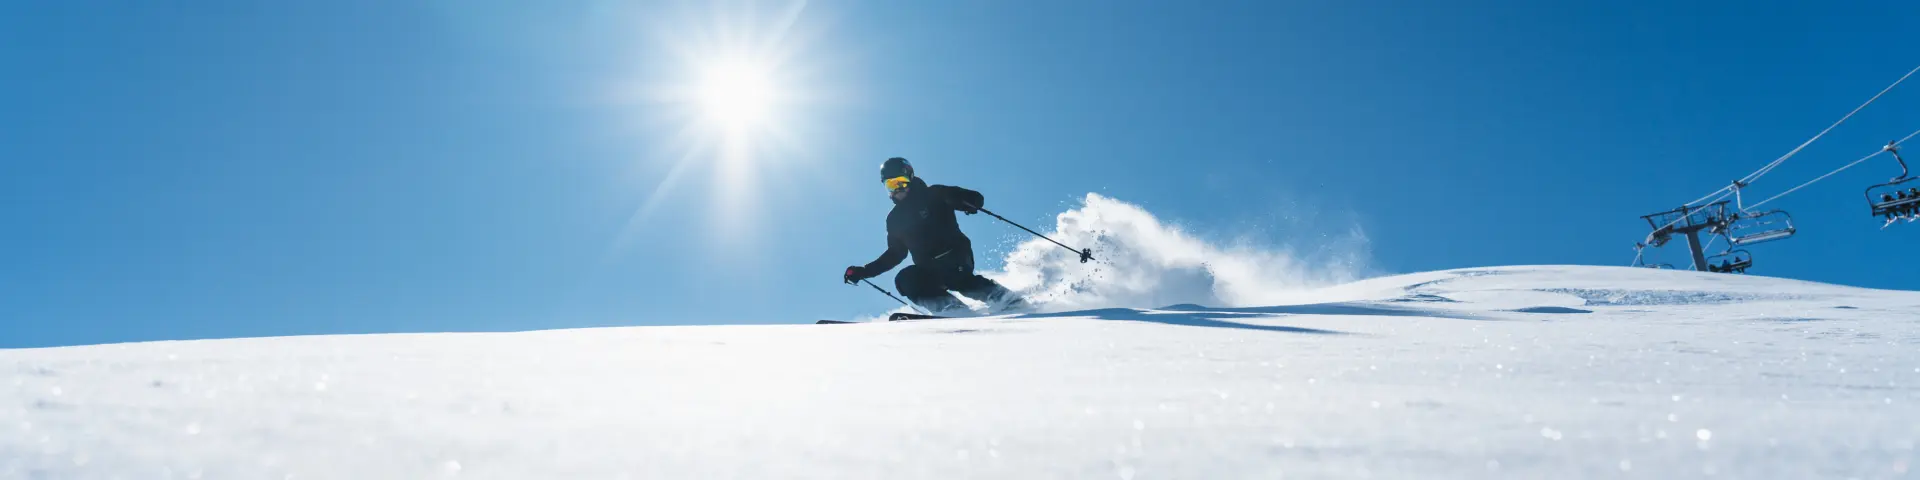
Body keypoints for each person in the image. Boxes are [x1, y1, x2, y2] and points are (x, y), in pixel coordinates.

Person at [843, 157, 1026, 314]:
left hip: (956, 257)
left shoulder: (934, 194)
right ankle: (953, 311)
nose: (897, 189)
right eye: (891, 184)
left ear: (910, 177)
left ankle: (1011, 302)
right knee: (906, 279)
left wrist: (969, 202)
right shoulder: (894, 219)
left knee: (962, 282)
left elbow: (972, 196)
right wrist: (864, 271)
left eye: (900, 181)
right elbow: (895, 254)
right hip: (929, 269)